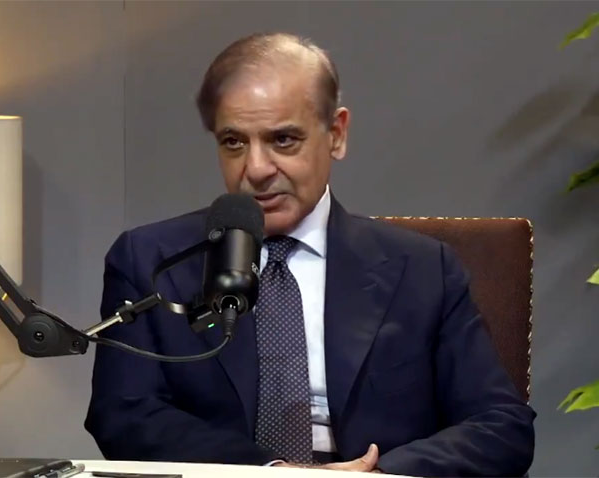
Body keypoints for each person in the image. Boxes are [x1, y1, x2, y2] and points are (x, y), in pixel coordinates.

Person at [85, 32, 535, 476]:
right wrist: (273, 472)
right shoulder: (152, 260)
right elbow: (123, 413)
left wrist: (380, 475)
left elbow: (501, 426)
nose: (256, 169)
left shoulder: (422, 269)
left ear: (336, 134)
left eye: (283, 140)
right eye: (234, 142)